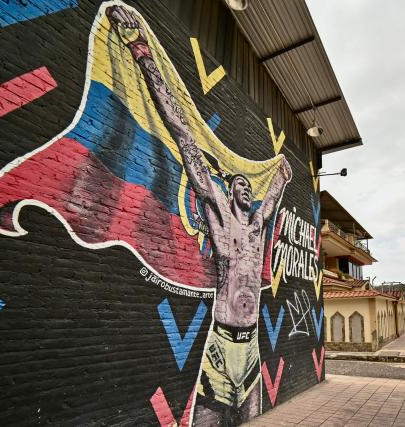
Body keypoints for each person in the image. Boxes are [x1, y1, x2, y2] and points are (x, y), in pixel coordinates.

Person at [106, 6, 292, 425]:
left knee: (254, 418)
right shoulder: (219, 214)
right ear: (228, 191)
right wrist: (143, 52)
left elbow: (278, 186)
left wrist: (284, 175)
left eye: (250, 184)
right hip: (222, 343)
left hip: (252, 345)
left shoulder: (258, 223)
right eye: (238, 183)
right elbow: (183, 134)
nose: (245, 185)